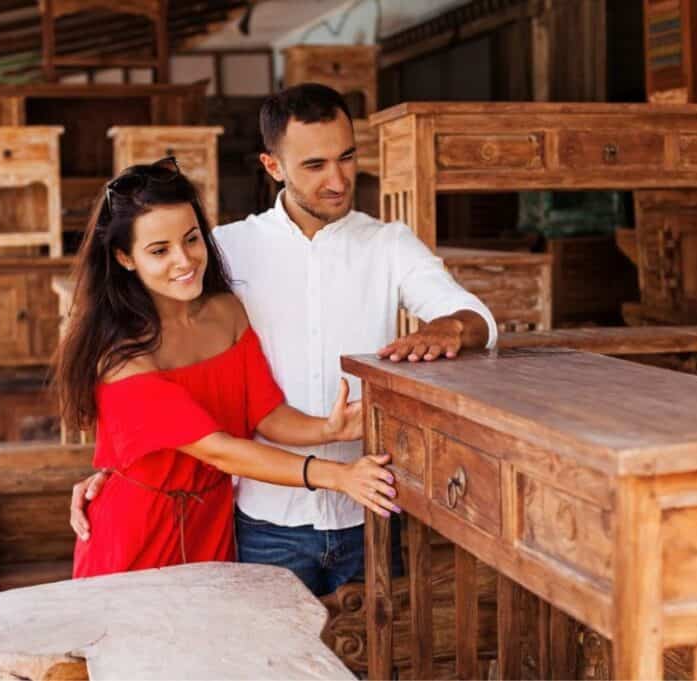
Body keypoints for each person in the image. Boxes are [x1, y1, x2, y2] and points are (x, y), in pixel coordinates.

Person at [71, 84, 497, 596]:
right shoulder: (223, 251)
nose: (338, 181)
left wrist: (448, 327)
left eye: (347, 157)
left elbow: (476, 318)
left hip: (370, 508)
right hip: (260, 520)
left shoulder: (389, 245)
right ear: (272, 166)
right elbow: (130, 347)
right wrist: (113, 475)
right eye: (314, 165)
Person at [54, 156, 399, 578]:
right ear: (125, 258)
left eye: (192, 239)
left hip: (213, 523)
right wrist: (338, 476)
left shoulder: (227, 311)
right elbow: (219, 449)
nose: (184, 260)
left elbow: (264, 413)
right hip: (137, 534)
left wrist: (327, 429)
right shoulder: (121, 357)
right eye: (159, 251)